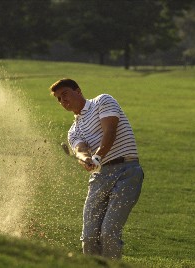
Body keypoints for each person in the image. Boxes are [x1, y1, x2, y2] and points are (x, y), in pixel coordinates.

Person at [49, 78, 144, 260]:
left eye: (65, 94)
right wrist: (86, 160)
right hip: (99, 177)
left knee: (108, 233)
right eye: (59, 99)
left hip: (127, 171)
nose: (63, 101)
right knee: (89, 237)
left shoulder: (102, 101)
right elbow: (80, 149)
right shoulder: (73, 131)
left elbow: (110, 131)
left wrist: (97, 157)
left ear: (78, 91)